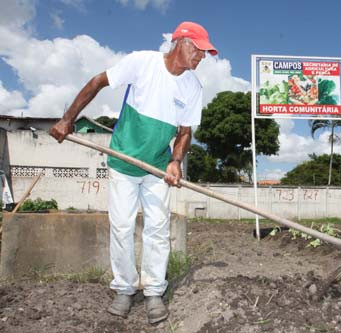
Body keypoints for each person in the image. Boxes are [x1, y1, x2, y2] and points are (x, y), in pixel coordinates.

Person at [49, 21, 217, 324]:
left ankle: (154, 291)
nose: (202, 57)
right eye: (200, 50)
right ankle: (124, 289)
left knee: (157, 229)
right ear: (182, 43)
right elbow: (97, 82)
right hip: (124, 163)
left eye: (205, 52)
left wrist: (175, 161)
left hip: (156, 167)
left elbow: (185, 132)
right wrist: (68, 119)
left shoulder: (193, 87)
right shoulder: (142, 63)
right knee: (123, 227)